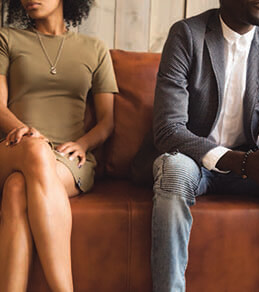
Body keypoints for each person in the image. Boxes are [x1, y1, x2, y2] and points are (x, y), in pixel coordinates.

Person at [152, 0, 259, 291]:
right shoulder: (187, 35)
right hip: (192, 161)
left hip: (249, 166)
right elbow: (168, 129)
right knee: (174, 171)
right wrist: (240, 161)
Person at [0, 0, 118, 291]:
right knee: (35, 149)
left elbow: (107, 122)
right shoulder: (7, 39)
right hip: (15, 146)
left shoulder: (94, 48)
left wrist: (82, 143)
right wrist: (21, 129)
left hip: (68, 160)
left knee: (17, 189)